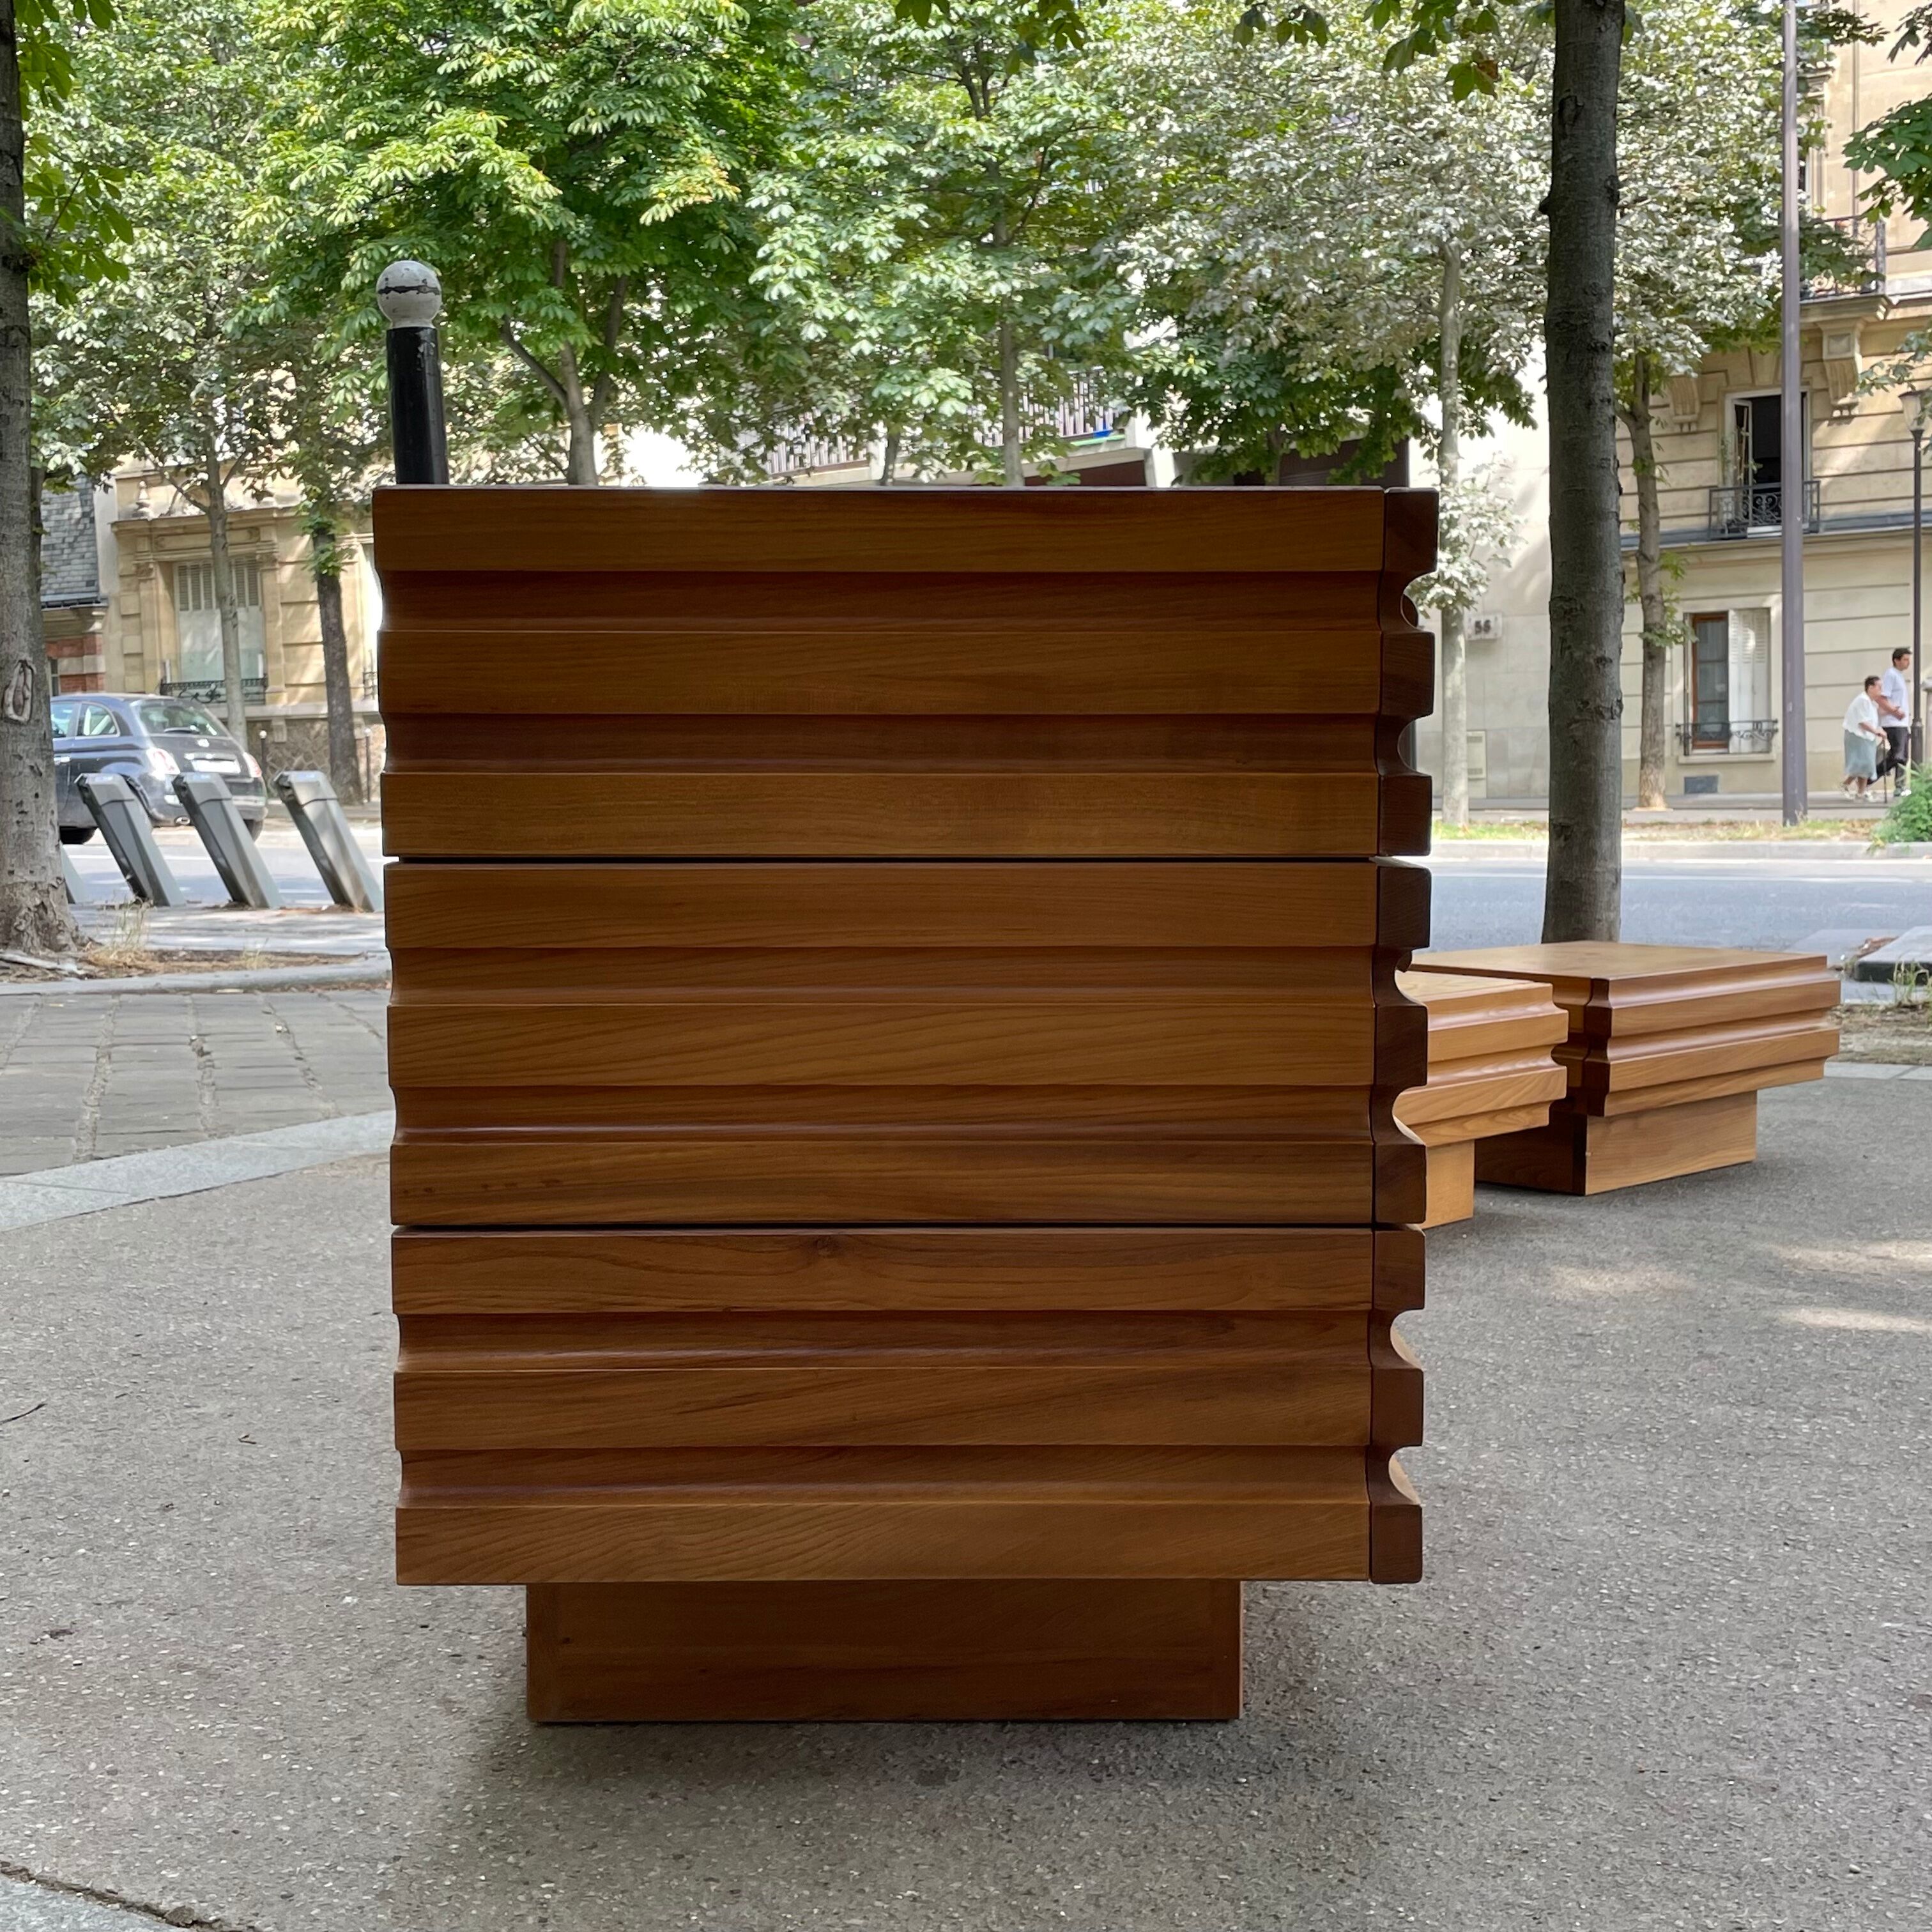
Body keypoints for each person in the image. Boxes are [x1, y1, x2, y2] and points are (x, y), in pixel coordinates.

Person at [1843, 675, 1887, 797]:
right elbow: (1862, 722)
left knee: (1864, 765)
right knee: (1864, 764)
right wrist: (1876, 731)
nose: (1881, 690)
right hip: (1858, 736)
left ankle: (1858, 791)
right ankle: (1857, 791)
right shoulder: (1863, 700)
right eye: (1879, 687)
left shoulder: (1869, 702)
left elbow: (1871, 719)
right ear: (1870, 688)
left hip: (1865, 737)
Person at [1877, 645, 1913, 790]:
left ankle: (1900, 787)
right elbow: (1882, 698)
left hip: (1902, 723)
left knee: (1903, 757)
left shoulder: (1899, 675)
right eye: (1905, 660)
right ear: (1896, 660)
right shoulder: (1891, 675)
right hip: (1893, 723)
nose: (1908, 663)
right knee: (1897, 756)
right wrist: (1894, 711)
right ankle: (1871, 777)